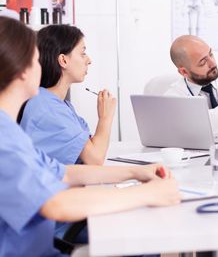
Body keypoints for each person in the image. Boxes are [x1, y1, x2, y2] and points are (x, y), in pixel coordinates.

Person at [0, 17, 181, 256]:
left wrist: (138, 171)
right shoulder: (7, 137)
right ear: (22, 71)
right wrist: (147, 193)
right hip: (40, 246)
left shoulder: (11, 130)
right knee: (142, 238)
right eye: (36, 60)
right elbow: (56, 205)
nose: (41, 65)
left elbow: (63, 171)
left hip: (42, 243)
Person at [20, 25, 115, 166]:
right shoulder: (48, 109)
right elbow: (95, 158)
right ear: (63, 60)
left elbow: (90, 147)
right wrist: (105, 117)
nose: (89, 60)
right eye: (82, 53)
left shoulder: (57, 104)